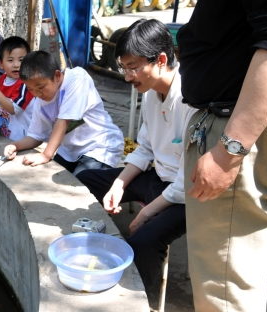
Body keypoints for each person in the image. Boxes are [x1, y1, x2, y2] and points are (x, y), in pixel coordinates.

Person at [157, 1, 267, 312]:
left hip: (236, 130)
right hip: (224, 121)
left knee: (230, 265)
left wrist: (228, 151)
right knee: (217, 262)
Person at [76, 19, 196, 290]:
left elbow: (187, 181)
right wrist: (118, 186)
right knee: (87, 178)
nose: (128, 77)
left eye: (133, 67)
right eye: (124, 68)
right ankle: (90, 234)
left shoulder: (190, 99)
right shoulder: (152, 93)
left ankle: (138, 296)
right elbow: (145, 149)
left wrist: (146, 213)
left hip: (184, 197)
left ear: (161, 60)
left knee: (144, 240)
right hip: (158, 179)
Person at [3, 51, 123, 176]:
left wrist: (46, 155)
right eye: (30, 89)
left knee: (82, 181)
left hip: (100, 146)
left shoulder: (77, 77)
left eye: (41, 87)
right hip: (69, 151)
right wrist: (14, 145)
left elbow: (64, 120)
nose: (37, 94)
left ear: (57, 76)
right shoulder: (40, 101)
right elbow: (35, 136)